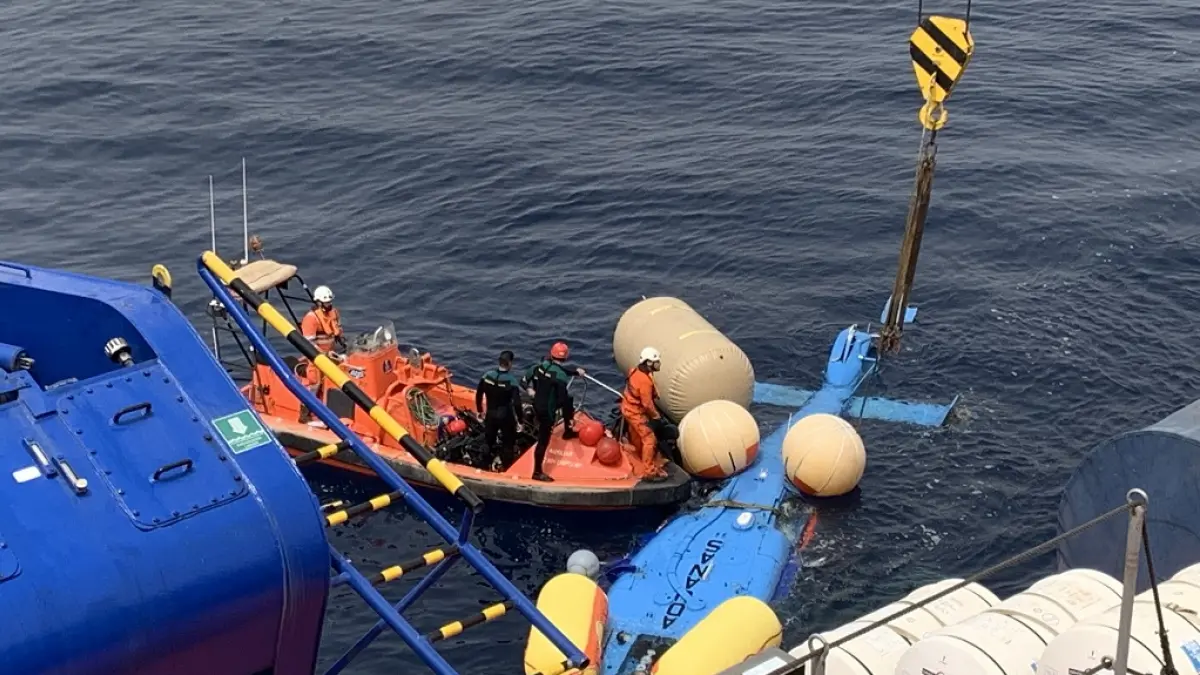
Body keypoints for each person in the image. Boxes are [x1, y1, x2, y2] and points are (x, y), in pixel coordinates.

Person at [522, 341, 586, 482]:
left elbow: (523, 381)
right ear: (565, 357)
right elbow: (562, 397)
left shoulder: (539, 367)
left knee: (568, 400)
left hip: (537, 403)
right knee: (543, 441)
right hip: (547, 410)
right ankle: (537, 472)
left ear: (551, 354)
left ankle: (568, 431)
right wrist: (566, 412)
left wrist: (530, 389)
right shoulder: (560, 376)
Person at [298, 285, 346, 426]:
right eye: (326, 302)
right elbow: (308, 343)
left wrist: (342, 342)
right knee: (314, 383)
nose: (329, 305)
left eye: (330, 302)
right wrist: (323, 354)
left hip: (330, 353)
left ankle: (329, 406)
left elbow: (338, 330)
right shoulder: (311, 319)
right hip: (315, 356)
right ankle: (304, 414)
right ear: (319, 302)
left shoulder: (334, 313)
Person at [621, 346, 668, 480]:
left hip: (628, 408)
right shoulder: (644, 381)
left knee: (637, 436)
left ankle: (641, 457)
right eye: (656, 361)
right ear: (649, 363)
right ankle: (649, 471)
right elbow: (647, 404)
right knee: (649, 438)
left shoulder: (636, 371)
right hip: (635, 413)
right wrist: (656, 416)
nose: (659, 364)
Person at [475, 350, 522, 465]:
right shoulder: (511, 381)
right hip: (506, 417)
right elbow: (517, 403)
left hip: (490, 415)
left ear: (499, 362)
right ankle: (506, 466)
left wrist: (480, 410)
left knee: (488, 441)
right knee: (508, 443)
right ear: (510, 363)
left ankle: (484, 464)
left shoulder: (487, 376)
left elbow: (479, 394)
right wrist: (520, 421)